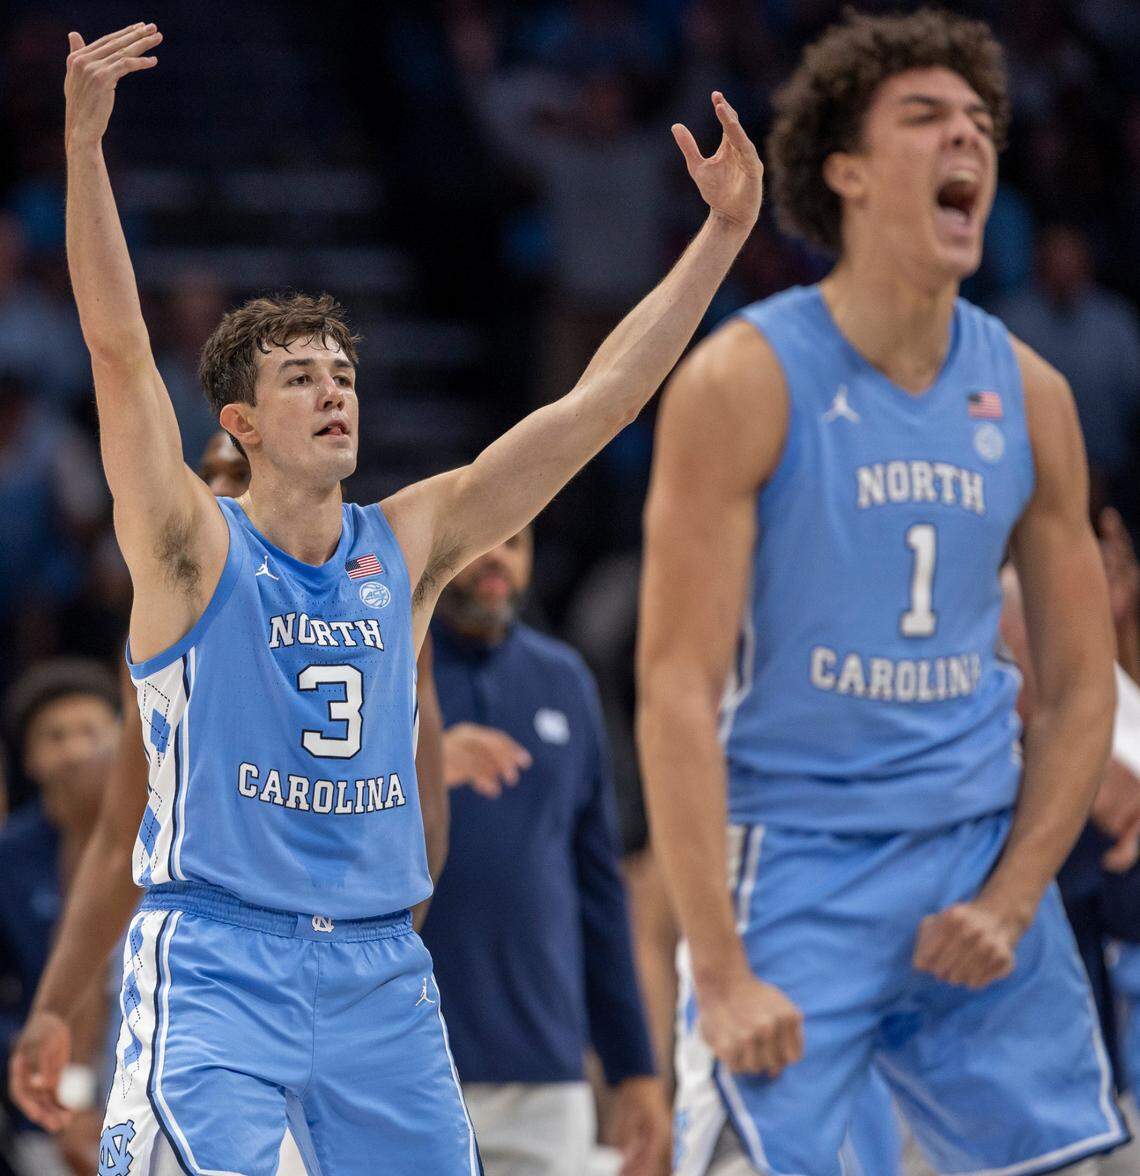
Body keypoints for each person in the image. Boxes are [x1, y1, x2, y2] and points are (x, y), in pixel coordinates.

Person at [63, 20, 761, 1174]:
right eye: (300, 379)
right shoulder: (190, 547)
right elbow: (117, 348)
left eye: (344, 374)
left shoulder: (412, 539)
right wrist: (85, 152)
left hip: (381, 972)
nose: (335, 392)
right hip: (219, 955)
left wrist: (721, 236)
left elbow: (599, 408)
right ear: (239, 422)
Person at [637, 9, 1126, 1175]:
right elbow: (674, 689)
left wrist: (1014, 897)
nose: (966, 137)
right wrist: (719, 966)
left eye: (979, 122)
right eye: (925, 118)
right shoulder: (745, 379)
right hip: (797, 859)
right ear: (846, 171)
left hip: (970, 851)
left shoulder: (1033, 393)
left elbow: (1078, 686)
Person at [6, 433, 448, 1176]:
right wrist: (55, 1004)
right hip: (217, 984)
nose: (217, 488)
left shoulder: (381, 595)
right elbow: (122, 837)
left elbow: (424, 818)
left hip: (354, 986)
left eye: (235, 472)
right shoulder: (175, 609)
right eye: (210, 472)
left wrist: (366, 980)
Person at [420, 528, 670, 1176]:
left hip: (546, 1068)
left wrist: (634, 1067)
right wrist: (419, 764)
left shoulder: (565, 680)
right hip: (407, 1059)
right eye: (484, 537)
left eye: (517, 542)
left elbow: (600, 895)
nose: (497, 556)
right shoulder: (383, 671)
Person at [0, 660, 121, 1176]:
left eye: (91, 731)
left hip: (147, 1084)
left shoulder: (169, 841)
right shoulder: (10, 859)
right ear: (27, 756)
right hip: (41, 1098)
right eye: (55, 735)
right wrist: (68, 1100)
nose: (76, 751)